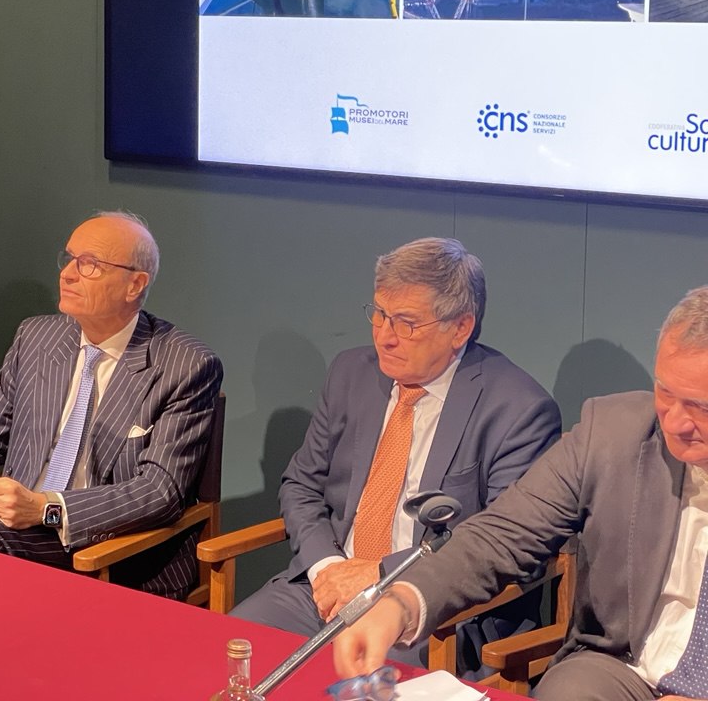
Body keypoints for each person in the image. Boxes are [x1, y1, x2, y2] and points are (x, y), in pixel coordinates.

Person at [336, 286, 708, 701]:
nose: (675, 422)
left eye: (701, 407)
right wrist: (401, 602)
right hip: (624, 669)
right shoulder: (611, 434)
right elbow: (500, 535)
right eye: (665, 392)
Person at [232, 237, 561, 669]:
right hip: (324, 588)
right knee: (226, 652)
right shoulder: (350, 373)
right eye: (380, 314)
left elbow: (505, 543)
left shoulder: (517, 409)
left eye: (406, 323)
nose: (384, 337)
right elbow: (301, 484)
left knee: (363, 684)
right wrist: (327, 567)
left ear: (460, 328)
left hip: (433, 613)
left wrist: (380, 573)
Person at [0, 211, 222, 599]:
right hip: (14, 527)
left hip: (113, 551)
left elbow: (160, 492)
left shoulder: (184, 365)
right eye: (70, 258)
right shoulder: (37, 337)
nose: (68, 274)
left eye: (89, 264)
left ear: (135, 284)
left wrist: (46, 508)